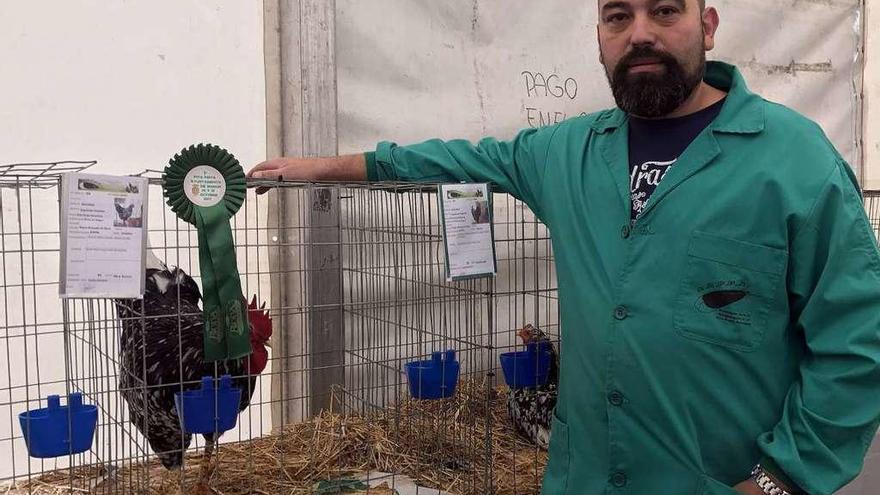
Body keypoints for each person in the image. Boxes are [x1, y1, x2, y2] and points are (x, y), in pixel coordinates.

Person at [249, 1, 880, 493]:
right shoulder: (569, 153)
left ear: (707, 26)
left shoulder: (793, 161)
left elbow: (857, 346)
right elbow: (455, 157)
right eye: (617, 16)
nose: (640, 33)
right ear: (600, 38)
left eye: (665, 11)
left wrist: (778, 482)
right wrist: (325, 166)